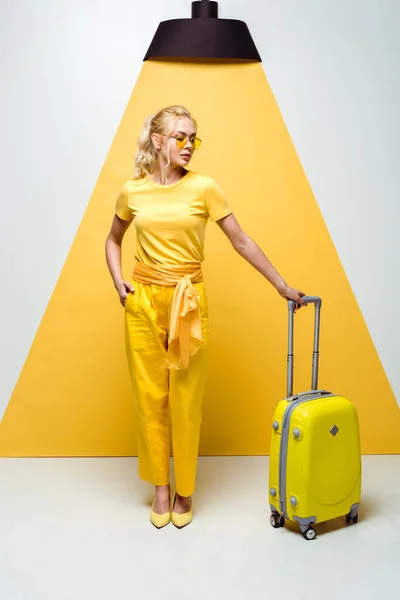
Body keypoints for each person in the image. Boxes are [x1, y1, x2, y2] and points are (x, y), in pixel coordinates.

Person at [105, 105, 305, 529]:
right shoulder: (132, 191)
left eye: (193, 138)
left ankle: (185, 491)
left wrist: (282, 285)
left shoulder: (205, 188)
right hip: (142, 303)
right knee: (149, 399)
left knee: (186, 400)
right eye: (180, 137)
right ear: (158, 140)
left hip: (188, 304)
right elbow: (112, 239)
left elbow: (241, 241)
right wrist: (118, 280)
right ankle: (160, 486)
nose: (189, 146)